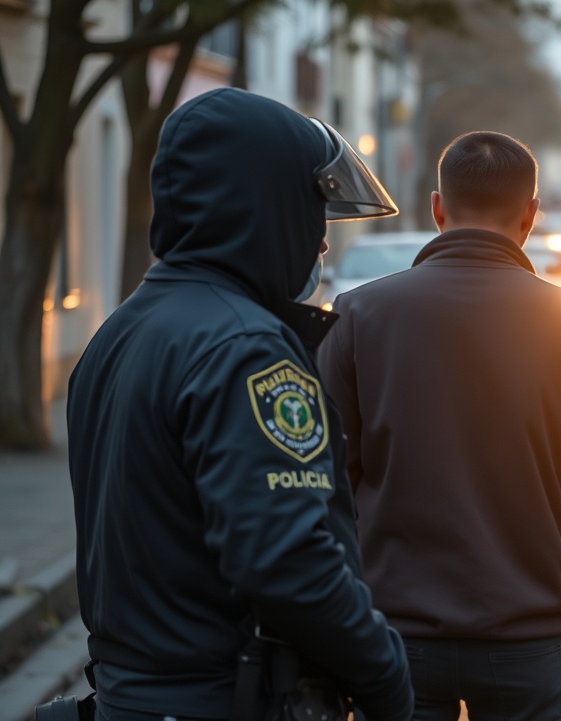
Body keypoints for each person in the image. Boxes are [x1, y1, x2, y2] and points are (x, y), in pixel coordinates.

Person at [66, 88, 414, 721]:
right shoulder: (250, 349)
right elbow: (288, 562)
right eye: (314, 213)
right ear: (268, 208)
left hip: (132, 696)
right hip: (224, 697)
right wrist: (385, 676)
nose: (322, 245)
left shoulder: (121, 332)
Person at [317, 130, 561, 721]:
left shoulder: (357, 315)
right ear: (530, 215)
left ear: (437, 208)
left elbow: (330, 484)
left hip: (394, 635)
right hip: (526, 635)